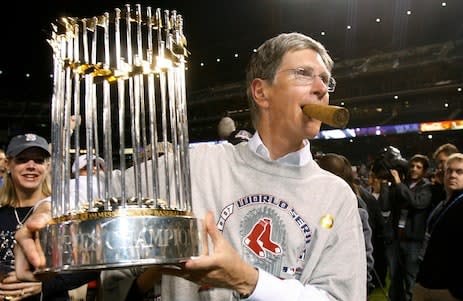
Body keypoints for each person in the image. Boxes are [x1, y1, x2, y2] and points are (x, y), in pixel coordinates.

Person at [15, 32, 367, 301]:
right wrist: (49, 207)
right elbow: (108, 186)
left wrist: (248, 279)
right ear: (261, 92)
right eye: (305, 74)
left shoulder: (336, 195)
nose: (322, 89)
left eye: (326, 80)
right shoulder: (197, 164)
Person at [0, 133, 98, 301]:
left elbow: (93, 266)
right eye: (22, 159)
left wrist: (44, 285)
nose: (31, 166)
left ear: (47, 166)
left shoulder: (64, 213)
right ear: (8, 165)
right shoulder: (2, 214)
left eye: (38, 160)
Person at [412, 153, 463, 301]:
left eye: (459, 172)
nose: (453, 175)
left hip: (450, 290)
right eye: (449, 171)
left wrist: (462, 291)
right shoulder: (443, 203)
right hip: (426, 283)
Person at [315, 153, 374, 294]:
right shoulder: (310, 204)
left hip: (341, 287)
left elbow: (364, 256)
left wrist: (362, 285)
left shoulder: (355, 209)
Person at [387, 154, 433, 301]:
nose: (414, 169)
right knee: (395, 278)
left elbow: (417, 203)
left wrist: (399, 183)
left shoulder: (427, 187)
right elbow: (387, 204)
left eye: (418, 167)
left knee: (410, 279)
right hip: (396, 238)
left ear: (424, 171)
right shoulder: (402, 184)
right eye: (412, 166)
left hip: (413, 241)